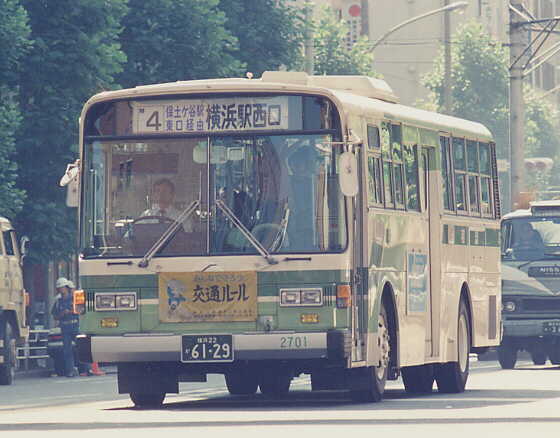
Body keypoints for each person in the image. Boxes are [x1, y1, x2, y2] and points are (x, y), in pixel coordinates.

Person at [51, 277, 92, 377]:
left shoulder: (74, 298)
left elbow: (82, 310)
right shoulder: (57, 301)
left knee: (82, 348)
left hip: (76, 326)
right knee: (67, 351)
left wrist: (70, 311)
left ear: (67, 287)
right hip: (65, 328)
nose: (61, 290)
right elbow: (55, 316)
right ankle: (70, 371)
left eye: (62, 287)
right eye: (59, 288)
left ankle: (87, 369)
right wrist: (62, 314)